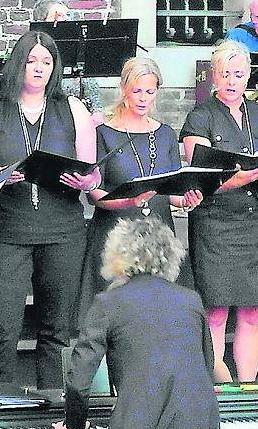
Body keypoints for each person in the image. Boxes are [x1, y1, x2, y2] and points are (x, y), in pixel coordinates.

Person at [0, 30, 99, 388]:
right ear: (17, 63)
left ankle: (55, 412)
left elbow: (93, 171)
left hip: (63, 231)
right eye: (31, 60)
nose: (38, 68)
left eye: (46, 62)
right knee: (1, 328)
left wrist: (86, 182)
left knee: (56, 331)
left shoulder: (73, 109)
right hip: (6, 230)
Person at [55, 217, 219, 429]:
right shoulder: (191, 300)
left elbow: (79, 379)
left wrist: (74, 423)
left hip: (139, 411)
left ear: (118, 255)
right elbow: (206, 364)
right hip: (193, 414)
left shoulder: (108, 302)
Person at [180, 40, 258, 383]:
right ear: (213, 76)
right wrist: (240, 178)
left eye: (239, 74)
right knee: (216, 312)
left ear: (249, 75)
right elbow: (200, 177)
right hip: (217, 224)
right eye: (225, 74)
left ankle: (248, 386)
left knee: (252, 313)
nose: (232, 81)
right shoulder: (201, 116)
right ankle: (216, 387)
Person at [78, 57, 201, 325]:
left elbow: (172, 191)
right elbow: (94, 194)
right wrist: (127, 201)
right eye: (137, 91)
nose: (143, 98)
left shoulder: (166, 133)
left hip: (158, 239)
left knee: (158, 320)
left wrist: (189, 198)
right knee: (113, 320)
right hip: (114, 238)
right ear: (124, 89)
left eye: (150, 91)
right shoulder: (103, 133)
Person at [32, 0, 104, 125]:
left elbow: (89, 81)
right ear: (42, 22)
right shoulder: (33, 51)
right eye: (58, 15)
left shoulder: (78, 46)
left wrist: (97, 110)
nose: (65, 19)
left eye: (67, 15)